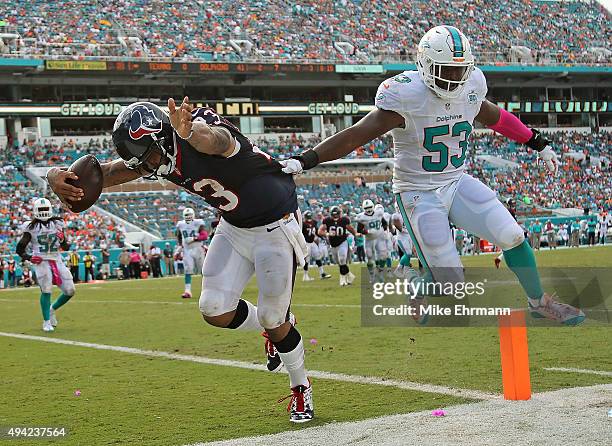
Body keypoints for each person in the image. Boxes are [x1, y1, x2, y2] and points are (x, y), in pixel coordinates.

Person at [281, 25, 584, 326]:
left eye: (458, 70)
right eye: (445, 70)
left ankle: (539, 302)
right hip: (417, 192)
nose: (453, 78)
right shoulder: (406, 95)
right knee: (452, 284)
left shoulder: (472, 87)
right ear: (424, 64)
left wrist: (536, 140)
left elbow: (496, 117)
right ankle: (414, 281)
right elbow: (356, 135)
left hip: (456, 181)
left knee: (514, 236)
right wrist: (306, 159)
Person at [46, 98, 314, 422]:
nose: (146, 168)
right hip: (235, 225)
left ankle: (301, 387)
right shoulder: (158, 149)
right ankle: (277, 329)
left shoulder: (193, 130)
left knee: (275, 317)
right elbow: (107, 173)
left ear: (162, 137)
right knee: (214, 308)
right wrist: (54, 175)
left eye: (148, 159)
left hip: (275, 224)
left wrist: (192, 134)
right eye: (141, 163)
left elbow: (218, 140)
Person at [15, 198, 75, 332]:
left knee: (70, 290)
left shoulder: (58, 223)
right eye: (41, 210)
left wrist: (63, 239)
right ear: (36, 211)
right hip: (41, 261)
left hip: (57, 259)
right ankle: (46, 321)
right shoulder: (31, 227)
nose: (43, 212)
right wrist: (29, 257)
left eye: (45, 209)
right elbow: (19, 249)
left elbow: (65, 247)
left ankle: (52, 309)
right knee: (46, 289)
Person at [318, 206, 358, 286]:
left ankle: (342, 279)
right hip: (333, 244)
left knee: (342, 259)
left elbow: (350, 228)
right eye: (334, 215)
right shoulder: (327, 220)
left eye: (337, 215)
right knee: (339, 263)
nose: (335, 217)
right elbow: (320, 231)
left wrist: (355, 234)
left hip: (343, 242)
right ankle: (349, 275)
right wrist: (327, 234)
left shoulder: (344, 220)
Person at [355, 199, 388, 283]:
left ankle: (380, 273)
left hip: (379, 237)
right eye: (366, 208)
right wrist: (367, 232)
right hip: (369, 239)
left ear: (373, 206)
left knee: (383, 256)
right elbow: (359, 230)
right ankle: (372, 275)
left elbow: (384, 223)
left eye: (370, 207)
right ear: (363, 208)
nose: (369, 209)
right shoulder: (361, 217)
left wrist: (383, 231)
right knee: (369, 257)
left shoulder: (378, 213)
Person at [176, 208, 205, 298]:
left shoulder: (198, 223)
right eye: (186, 215)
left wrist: (194, 238)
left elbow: (204, 235)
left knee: (203, 270)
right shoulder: (180, 224)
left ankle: (207, 290)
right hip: (187, 250)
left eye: (189, 215)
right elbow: (178, 236)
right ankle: (187, 291)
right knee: (188, 270)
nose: (188, 217)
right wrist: (180, 246)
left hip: (197, 248)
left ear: (193, 215)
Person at [301, 210, 331, 281]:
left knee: (318, 257)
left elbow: (316, 232)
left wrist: (322, 237)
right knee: (307, 259)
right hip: (306, 243)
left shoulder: (314, 222)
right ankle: (305, 276)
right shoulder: (303, 224)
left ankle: (322, 273)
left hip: (312, 243)